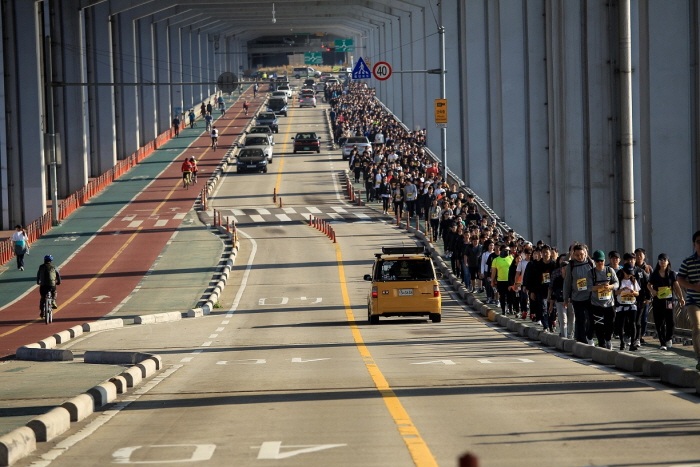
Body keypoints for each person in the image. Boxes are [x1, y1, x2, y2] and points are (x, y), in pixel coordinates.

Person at [648, 253, 684, 350]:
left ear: (668, 262)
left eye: (664, 260)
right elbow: (648, 285)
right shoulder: (654, 274)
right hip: (658, 301)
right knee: (659, 322)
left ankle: (669, 338)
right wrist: (652, 291)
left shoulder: (672, 274)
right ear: (658, 262)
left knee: (670, 321)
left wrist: (681, 298)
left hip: (669, 301)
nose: (662, 262)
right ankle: (662, 343)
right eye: (660, 260)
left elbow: (676, 286)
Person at [677, 230, 700, 370]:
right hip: (693, 301)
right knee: (697, 327)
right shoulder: (688, 261)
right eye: (698, 242)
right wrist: (693, 287)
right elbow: (680, 278)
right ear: (694, 244)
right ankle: (699, 356)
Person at [587, 250, 619, 348]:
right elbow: (588, 287)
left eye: (602, 261)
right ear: (594, 262)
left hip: (609, 303)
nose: (600, 263)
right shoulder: (591, 273)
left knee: (610, 323)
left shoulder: (610, 271)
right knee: (598, 324)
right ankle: (601, 342)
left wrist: (610, 287)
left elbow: (617, 283)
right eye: (597, 261)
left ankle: (608, 339)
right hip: (596, 303)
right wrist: (598, 287)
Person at [564, 244, 594, 343]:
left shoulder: (591, 263)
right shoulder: (571, 265)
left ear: (586, 253)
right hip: (577, 297)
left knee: (591, 319)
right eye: (577, 255)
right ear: (574, 255)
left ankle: (589, 336)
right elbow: (567, 282)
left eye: (582, 254)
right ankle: (581, 340)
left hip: (590, 296)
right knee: (580, 319)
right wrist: (566, 298)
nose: (580, 257)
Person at [616, 264, 640, 350]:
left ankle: (632, 343)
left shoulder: (633, 281)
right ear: (623, 272)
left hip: (631, 304)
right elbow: (615, 293)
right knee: (621, 324)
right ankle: (622, 342)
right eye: (627, 273)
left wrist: (633, 291)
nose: (629, 275)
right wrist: (622, 289)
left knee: (632, 323)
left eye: (630, 274)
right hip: (621, 305)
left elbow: (638, 293)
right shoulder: (619, 281)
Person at [491, 244, 513, 315]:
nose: (507, 252)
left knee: (510, 296)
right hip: (500, 281)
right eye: (506, 250)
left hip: (509, 281)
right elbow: (493, 271)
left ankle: (510, 308)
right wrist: (492, 281)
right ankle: (503, 310)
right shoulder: (496, 260)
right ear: (502, 250)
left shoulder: (511, 258)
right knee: (502, 296)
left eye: (508, 250)